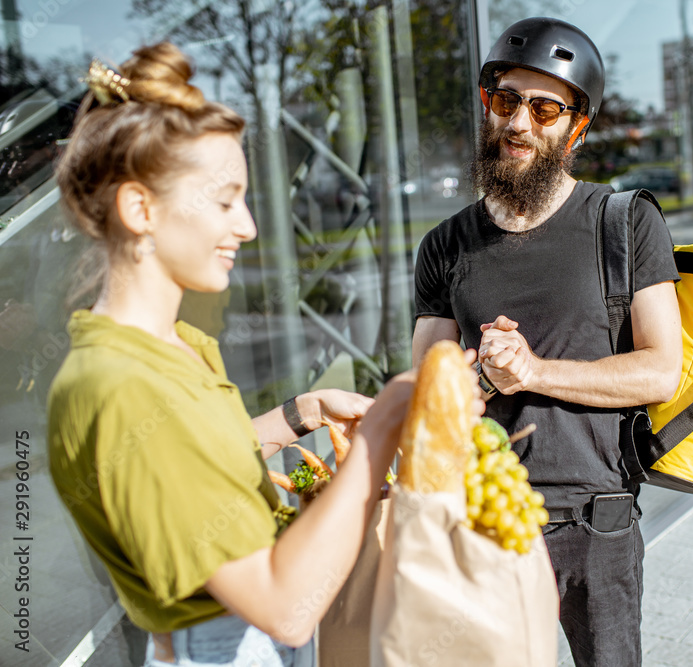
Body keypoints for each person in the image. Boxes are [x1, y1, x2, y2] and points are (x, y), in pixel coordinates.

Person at [47, 42, 480, 667]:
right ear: (140, 208)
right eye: (224, 200)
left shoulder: (170, 347)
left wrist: (302, 413)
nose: (248, 226)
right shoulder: (121, 385)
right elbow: (286, 606)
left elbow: (188, 466)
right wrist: (383, 427)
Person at [411, 17, 683, 667]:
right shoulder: (446, 245)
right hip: (482, 520)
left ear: (576, 127)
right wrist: (480, 376)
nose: (519, 123)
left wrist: (532, 371)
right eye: (506, 100)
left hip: (598, 520)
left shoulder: (623, 223)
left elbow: (660, 371)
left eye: (544, 108)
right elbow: (428, 392)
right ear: (487, 105)